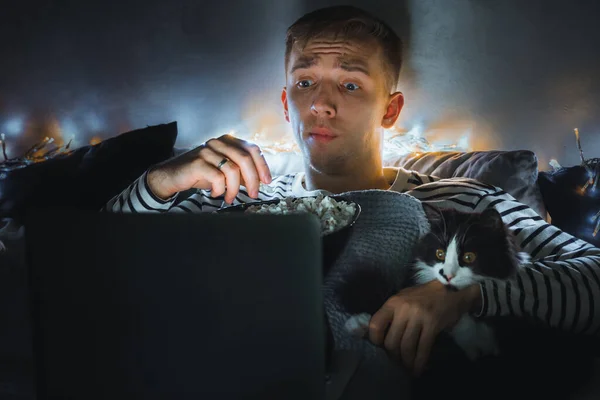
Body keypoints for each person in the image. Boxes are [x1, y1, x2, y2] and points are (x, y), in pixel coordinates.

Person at [104, 5, 600, 377]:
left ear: (390, 109)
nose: (319, 104)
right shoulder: (240, 196)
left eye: (350, 85)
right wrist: (159, 182)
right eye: (304, 82)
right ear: (284, 102)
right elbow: (91, 266)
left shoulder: (463, 203)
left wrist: (463, 295)